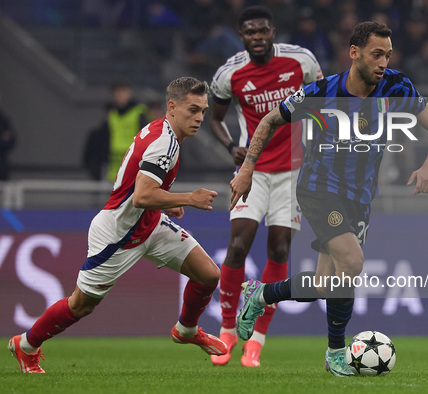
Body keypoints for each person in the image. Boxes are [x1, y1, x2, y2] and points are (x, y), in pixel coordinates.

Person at [229, 21, 428, 377]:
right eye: (377, 54)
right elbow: (270, 120)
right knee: (354, 261)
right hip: (318, 189)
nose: (383, 62)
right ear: (355, 53)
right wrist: (247, 169)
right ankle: (336, 353)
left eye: (388, 55)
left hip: (359, 198)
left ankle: (261, 295)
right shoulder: (320, 92)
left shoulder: (396, 85)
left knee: (325, 284)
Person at [8, 77, 228, 374]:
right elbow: (141, 196)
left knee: (208, 274)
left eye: (203, 110)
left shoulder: (164, 133)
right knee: (80, 306)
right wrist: (189, 197)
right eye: (193, 110)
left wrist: (167, 202)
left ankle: (186, 331)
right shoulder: (163, 143)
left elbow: (144, 191)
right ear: (172, 107)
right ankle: (26, 345)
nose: (200, 117)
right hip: (118, 235)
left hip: (149, 224)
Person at [208, 5, 323, 367]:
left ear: (273, 31)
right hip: (252, 170)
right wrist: (231, 146)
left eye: (263, 31)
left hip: (293, 171)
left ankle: (257, 339)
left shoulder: (301, 61)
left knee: (279, 249)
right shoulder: (230, 73)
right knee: (238, 245)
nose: (257, 37)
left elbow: (322, 102)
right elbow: (215, 118)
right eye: (250, 32)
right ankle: (227, 330)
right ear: (241, 35)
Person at [106, 80, 152, 182]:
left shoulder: (139, 112)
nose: (119, 95)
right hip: (115, 171)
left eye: (122, 91)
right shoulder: (112, 114)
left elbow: (147, 141)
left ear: (129, 92)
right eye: (116, 92)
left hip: (134, 170)